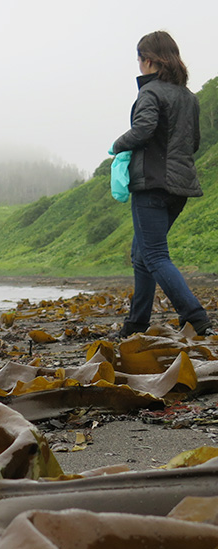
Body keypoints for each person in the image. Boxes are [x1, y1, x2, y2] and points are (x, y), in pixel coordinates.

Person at [112, 30, 210, 337]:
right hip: (179, 187)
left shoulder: (150, 93)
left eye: (139, 59)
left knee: (154, 255)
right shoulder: (189, 98)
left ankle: (195, 316)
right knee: (141, 254)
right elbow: (192, 143)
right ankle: (135, 325)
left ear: (150, 61)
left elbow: (142, 131)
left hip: (152, 185)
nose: (139, 65)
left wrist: (117, 145)